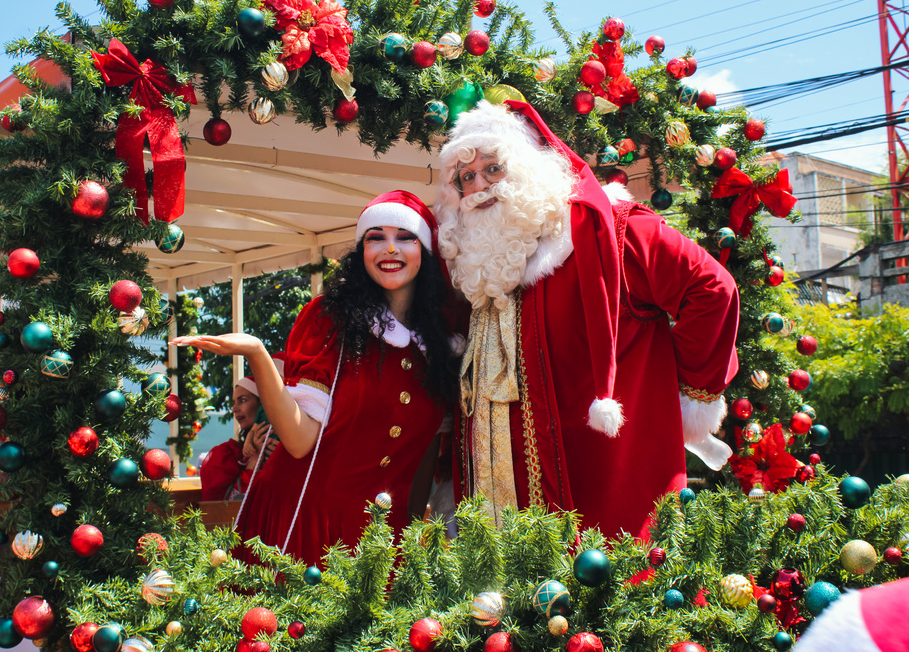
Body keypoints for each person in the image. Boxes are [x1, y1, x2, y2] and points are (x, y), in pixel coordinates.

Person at [434, 100, 740, 540]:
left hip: (608, 499)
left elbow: (711, 289)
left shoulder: (610, 231)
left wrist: (687, 394)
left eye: (493, 169)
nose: (479, 186)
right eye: (465, 177)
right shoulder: (476, 272)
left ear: (527, 168)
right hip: (503, 524)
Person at [172, 191, 459, 567]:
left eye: (405, 237)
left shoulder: (440, 342)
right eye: (376, 237)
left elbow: (421, 455)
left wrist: (405, 537)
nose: (390, 249)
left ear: (425, 250)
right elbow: (298, 440)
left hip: (379, 540)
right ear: (362, 252)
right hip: (305, 521)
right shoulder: (330, 320)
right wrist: (258, 354)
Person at [199, 356, 283, 502]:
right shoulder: (227, 456)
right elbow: (230, 508)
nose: (235, 408)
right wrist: (255, 457)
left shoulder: (291, 441)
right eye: (233, 402)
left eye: (243, 400)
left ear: (263, 403)